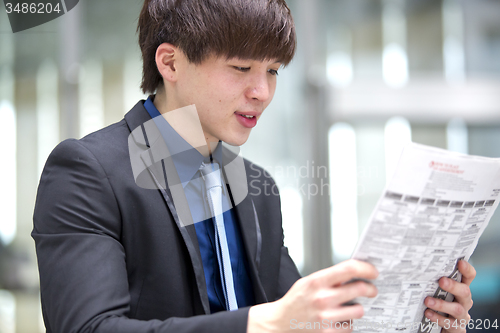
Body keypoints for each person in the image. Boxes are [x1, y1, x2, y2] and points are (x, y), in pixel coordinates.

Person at [32, 0, 475, 332]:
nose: (261, 91)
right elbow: (89, 329)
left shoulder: (256, 186)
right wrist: (261, 323)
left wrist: (425, 316)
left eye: (274, 70)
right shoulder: (88, 172)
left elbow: (298, 319)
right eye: (241, 67)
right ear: (170, 62)